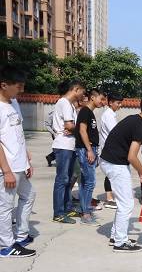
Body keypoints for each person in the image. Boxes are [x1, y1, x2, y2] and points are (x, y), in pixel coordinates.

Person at [100, 94, 142, 252]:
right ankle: (120, 243)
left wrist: (141, 171)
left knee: (123, 203)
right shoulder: (140, 126)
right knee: (127, 204)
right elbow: (132, 156)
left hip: (111, 161)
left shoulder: (135, 120)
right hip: (115, 163)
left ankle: (116, 235)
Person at [0, 67, 36, 258]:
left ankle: (21, 235)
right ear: (3, 85)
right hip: (8, 167)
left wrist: (26, 158)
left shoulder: (14, 102)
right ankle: (6, 245)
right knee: (5, 206)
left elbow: (18, 132)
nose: (21, 90)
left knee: (29, 195)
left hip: (19, 163)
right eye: (18, 86)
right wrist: (6, 171)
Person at [51, 80, 86, 224]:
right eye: (82, 92)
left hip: (70, 144)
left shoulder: (70, 105)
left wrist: (73, 128)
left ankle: (67, 207)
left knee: (69, 178)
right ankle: (58, 213)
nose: (83, 95)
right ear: (76, 89)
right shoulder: (64, 103)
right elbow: (69, 125)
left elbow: (72, 127)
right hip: (63, 145)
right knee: (62, 179)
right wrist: (80, 130)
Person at [75, 88, 106, 225]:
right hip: (86, 149)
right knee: (90, 182)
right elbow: (82, 130)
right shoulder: (85, 111)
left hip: (91, 148)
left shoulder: (89, 112)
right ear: (93, 97)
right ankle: (86, 214)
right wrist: (89, 150)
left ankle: (84, 210)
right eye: (101, 98)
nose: (102, 102)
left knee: (85, 182)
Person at [99, 92, 123, 209]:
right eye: (118, 103)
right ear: (110, 103)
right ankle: (109, 199)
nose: (120, 105)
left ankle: (111, 197)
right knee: (110, 174)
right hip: (108, 149)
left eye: (120, 103)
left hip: (111, 148)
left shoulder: (111, 114)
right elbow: (115, 132)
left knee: (111, 173)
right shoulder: (108, 115)